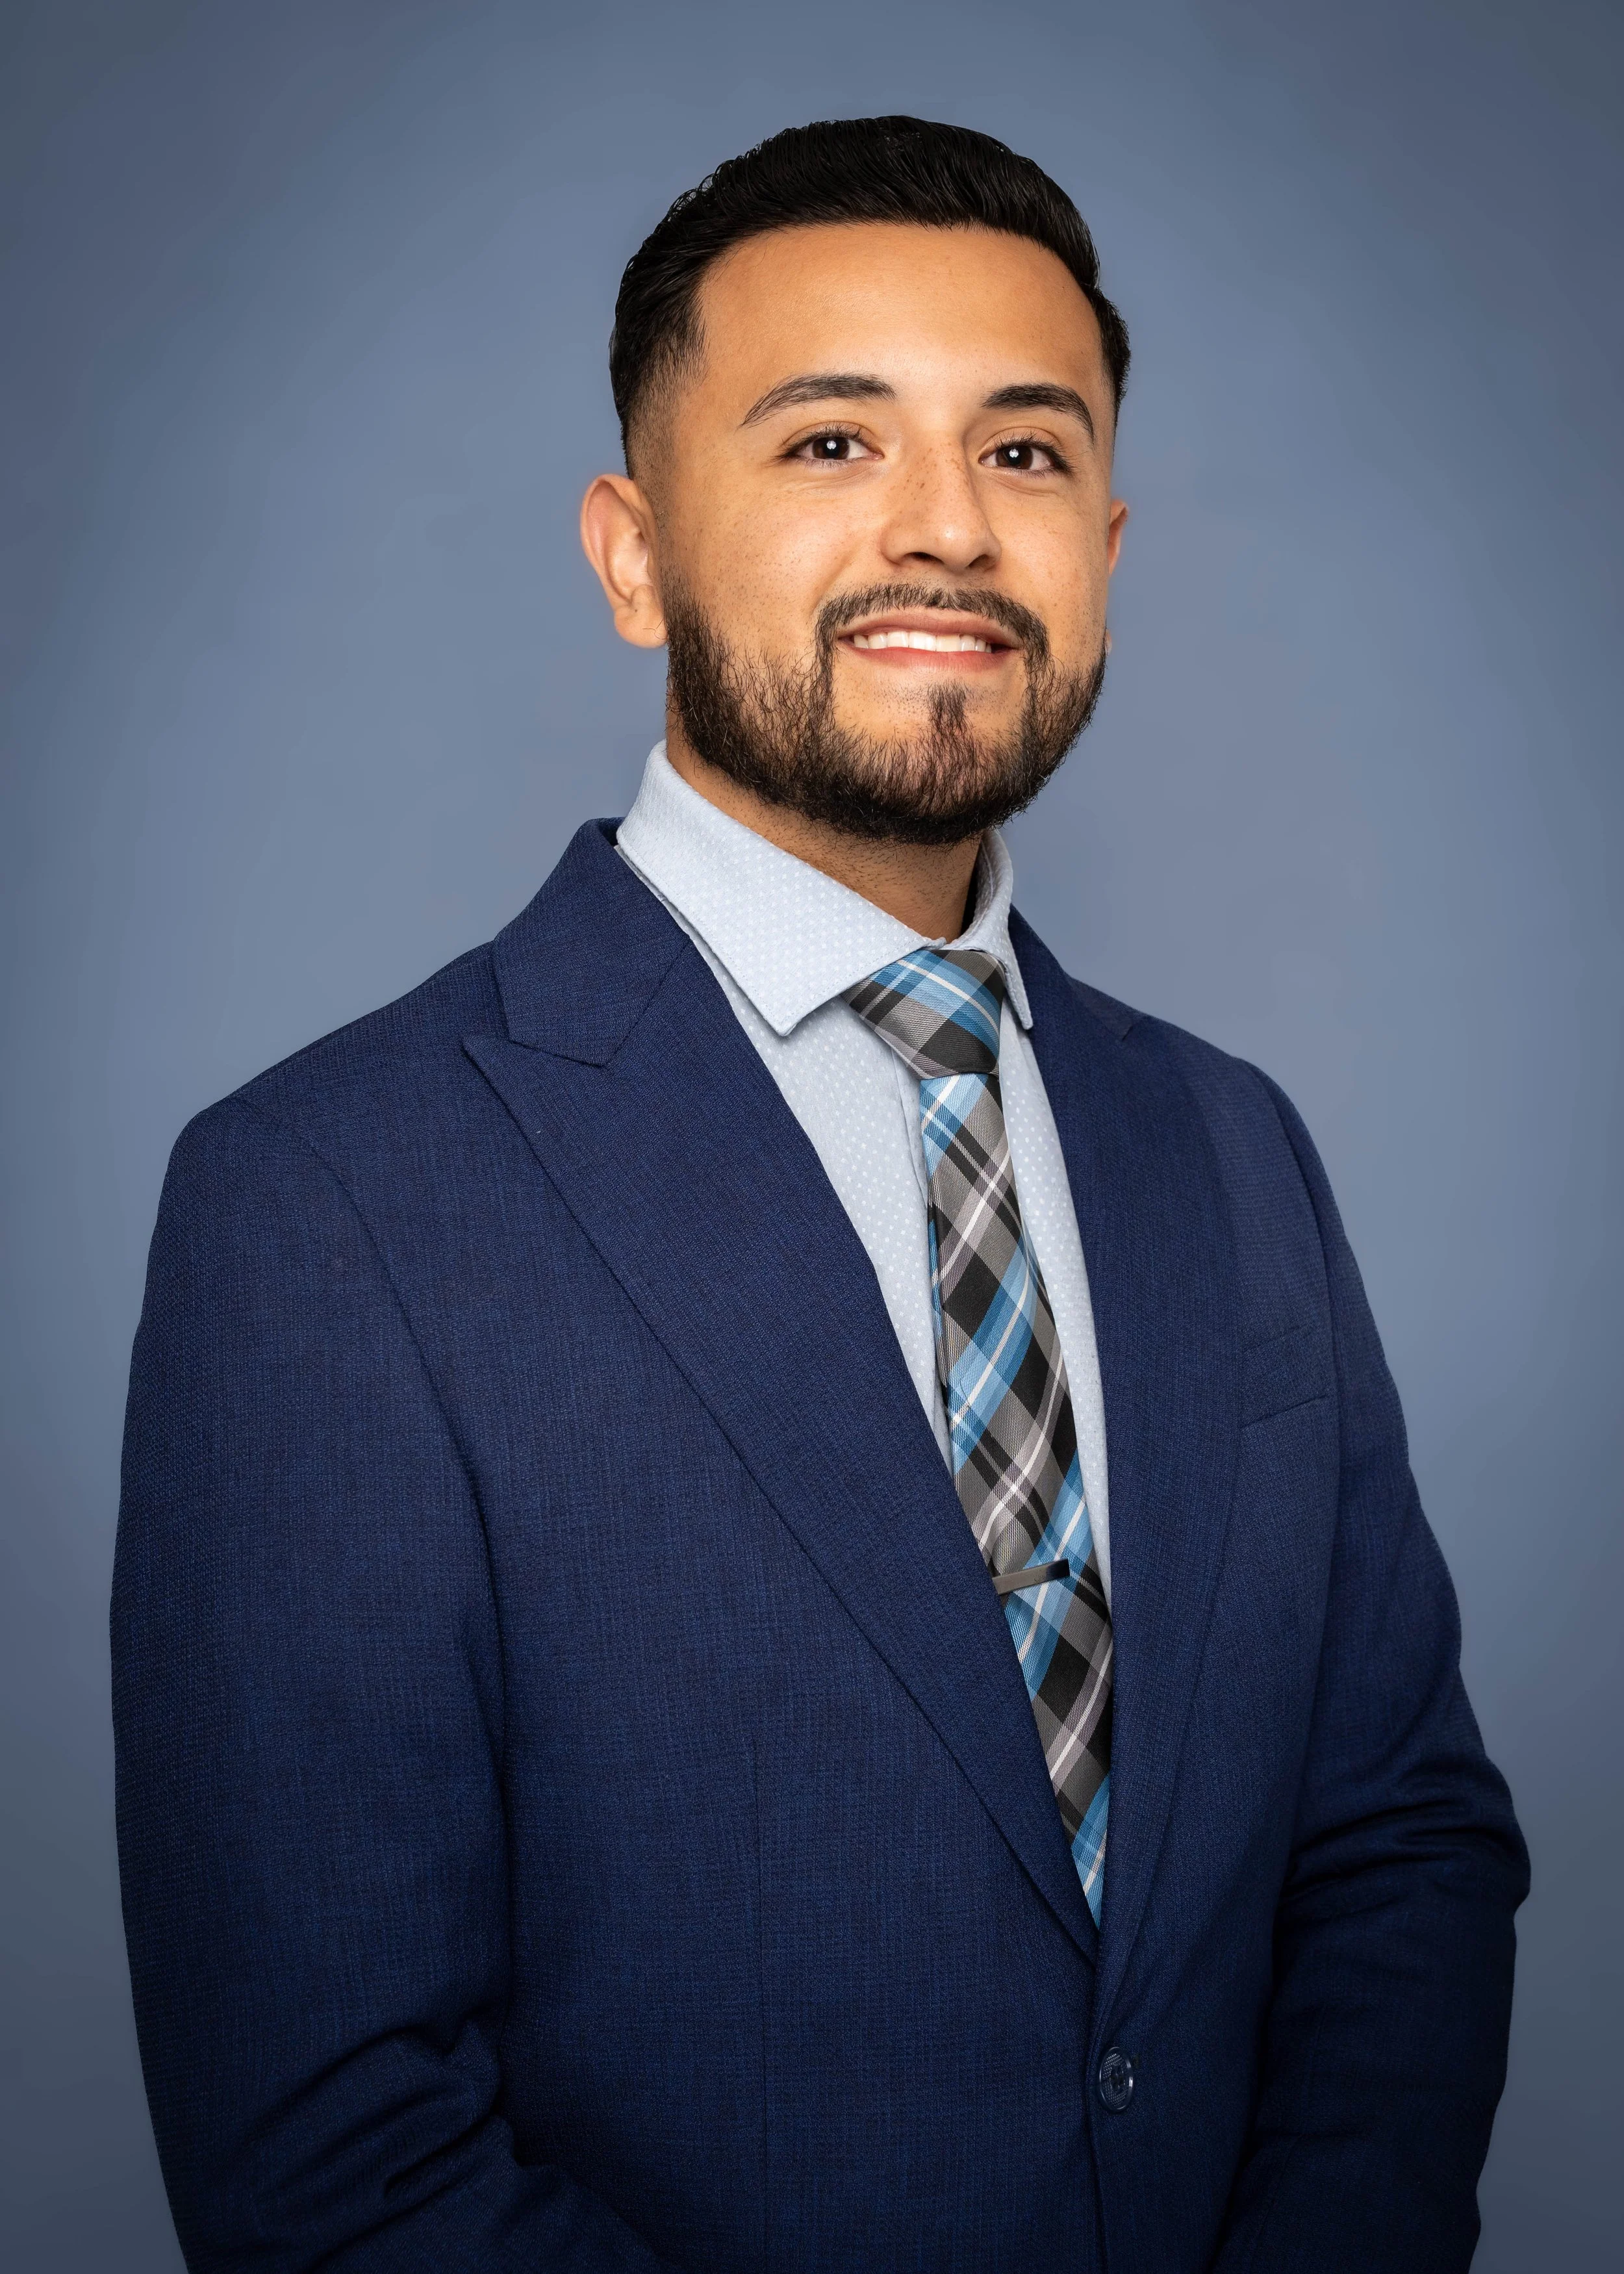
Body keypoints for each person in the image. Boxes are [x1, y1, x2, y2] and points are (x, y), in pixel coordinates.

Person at [112, 116, 1529, 2273]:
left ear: (1111, 546)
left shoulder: (1231, 1149)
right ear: (630, 551)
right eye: (830, 443)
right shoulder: (327, 1202)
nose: (946, 531)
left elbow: (1398, 1849)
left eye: (1027, 455)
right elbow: (339, 2159)